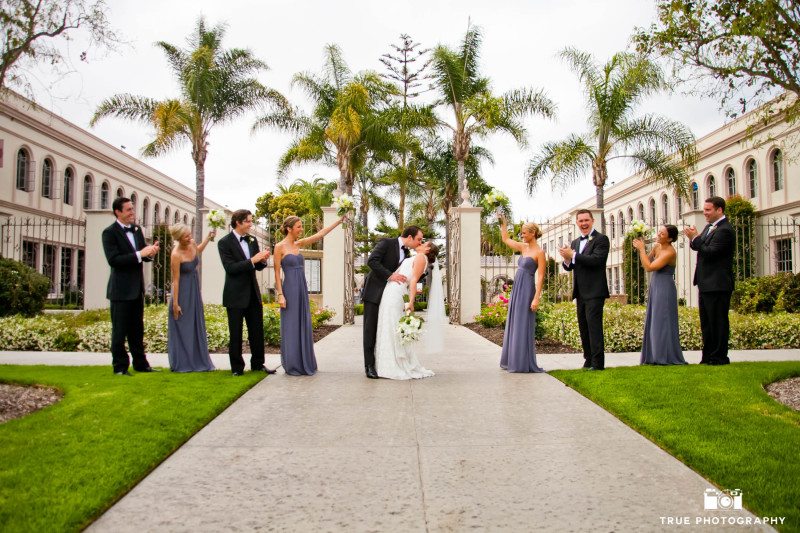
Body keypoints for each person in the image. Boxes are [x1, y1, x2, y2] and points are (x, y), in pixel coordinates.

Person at [273, 214, 345, 376]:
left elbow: (321, 234)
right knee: (291, 325)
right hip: (289, 289)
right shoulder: (279, 247)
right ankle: (292, 363)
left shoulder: (299, 244)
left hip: (301, 288)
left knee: (302, 323)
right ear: (289, 229)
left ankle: (305, 361)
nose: (301, 229)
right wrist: (280, 295)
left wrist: (339, 221)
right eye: (298, 226)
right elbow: (277, 273)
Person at [102, 196, 160, 375]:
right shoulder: (109, 233)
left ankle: (141, 364)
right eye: (128, 210)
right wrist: (139, 254)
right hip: (120, 290)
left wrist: (151, 253)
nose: (132, 213)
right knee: (119, 332)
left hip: (136, 289)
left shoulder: (136, 230)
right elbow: (114, 260)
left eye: (132, 209)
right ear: (117, 212)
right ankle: (120, 367)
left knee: (137, 330)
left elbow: (142, 254)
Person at [217, 209, 275, 376]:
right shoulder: (224, 243)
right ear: (238, 223)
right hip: (234, 295)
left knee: (257, 332)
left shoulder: (252, 240)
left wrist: (262, 261)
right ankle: (237, 368)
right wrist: (252, 260)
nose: (251, 224)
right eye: (248, 221)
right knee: (235, 334)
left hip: (252, 294)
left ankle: (258, 364)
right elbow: (230, 268)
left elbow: (256, 266)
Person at [361, 226, 424, 379]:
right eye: (418, 239)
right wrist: (390, 275)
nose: (420, 243)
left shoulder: (408, 253)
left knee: (386, 330)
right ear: (409, 237)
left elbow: (409, 274)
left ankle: (383, 363)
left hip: (391, 297)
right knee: (370, 330)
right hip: (375, 292)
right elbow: (372, 261)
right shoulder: (386, 243)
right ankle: (369, 366)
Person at [683, 196, 735, 365]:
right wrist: (694, 238)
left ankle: (719, 357)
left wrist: (696, 239)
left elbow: (710, 251)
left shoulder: (725, 230)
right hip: (705, 283)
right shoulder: (708, 227)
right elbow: (699, 246)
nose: (704, 213)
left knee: (718, 321)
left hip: (718, 284)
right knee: (706, 322)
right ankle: (708, 356)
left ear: (719, 210)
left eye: (708, 210)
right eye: (704, 210)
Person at [374, 242, 437, 380]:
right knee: (388, 324)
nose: (420, 242)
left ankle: (393, 365)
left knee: (391, 325)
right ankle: (386, 364)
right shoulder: (418, 257)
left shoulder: (421, 257)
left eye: (423, 242)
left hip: (396, 291)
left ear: (427, 249)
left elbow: (414, 280)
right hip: (393, 289)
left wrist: (411, 301)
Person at [559, 209, 610, 371]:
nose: (584, 223)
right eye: (580, 221)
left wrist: (572, 255)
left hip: (595, 291)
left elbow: (596, 260)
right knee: (583, 327)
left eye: (586, 220)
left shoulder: (602, 239)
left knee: (594, 327)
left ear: (592, 221)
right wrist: (567, 259)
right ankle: (588, 360)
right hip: (580, 292)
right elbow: (570, 266)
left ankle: (598, 363)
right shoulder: (574, 243)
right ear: (577, 223)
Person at [633, 225, 687, 365]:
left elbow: (650, 267)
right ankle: (653, 356)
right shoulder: (657, 246)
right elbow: (646, 262)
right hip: (655, 285)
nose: (658, 235)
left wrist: (641, 249)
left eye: (662, 234)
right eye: (659, 232)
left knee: (662, 321)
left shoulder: (670, 253)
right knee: (654, 320)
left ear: (669, 238)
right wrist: (642, 248)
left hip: (664, 288)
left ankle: (664, 356)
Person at [498, 216, 546, 373]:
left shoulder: (539, 252)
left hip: (527, 290)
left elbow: (540, 277)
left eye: (524, 233)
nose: (522, 235)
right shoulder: (523, 247)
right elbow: (505, 239)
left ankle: (522, 362)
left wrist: (536, 298)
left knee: (523, 322)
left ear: (532, 233)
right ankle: (511, 360)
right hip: (517, 288)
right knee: (514, 321)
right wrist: (503, 223)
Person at [167, 223, 217, 372]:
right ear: (178, 238)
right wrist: (175, 304)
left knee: (195, 324)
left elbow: (197, 251)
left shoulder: (192, 243)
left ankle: (198, 360)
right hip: (182, 292)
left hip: (194, 290)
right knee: (184, 326)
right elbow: (175, 280)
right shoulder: (176, 255)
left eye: (190, 234)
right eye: (186, 236)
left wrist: (208, 238)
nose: (190, 238)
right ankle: (183, 363)